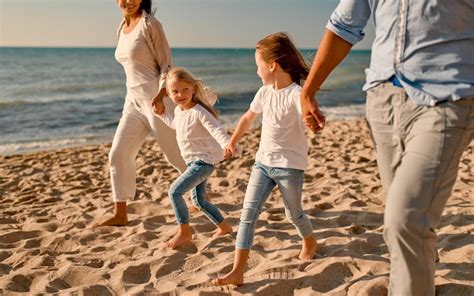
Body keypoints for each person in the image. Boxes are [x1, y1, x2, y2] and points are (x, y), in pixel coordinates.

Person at [300, 1, 474, 295]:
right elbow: (343, 26)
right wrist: (309, 90)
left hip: (448, 96)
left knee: (404, 219)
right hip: (382, 102)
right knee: (407, 226)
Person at [214, 32, 318, 286]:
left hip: (289, 167)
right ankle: (237, 271)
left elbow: (307, 110)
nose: (257, 71)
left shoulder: (296, 93)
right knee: (247, 214)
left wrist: (311, 119)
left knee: (293, 214)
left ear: (271, 65)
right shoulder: (264, 92)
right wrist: (232, 141)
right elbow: (248, 118)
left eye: (258, 66)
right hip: (262, 163)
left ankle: (310, 241)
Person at [95, 0, 186, 227]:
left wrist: (160, 96)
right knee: (118, 155)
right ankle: (120, 213)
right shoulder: (121, 28)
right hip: (132, 103)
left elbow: (167, 65)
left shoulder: (150, 24)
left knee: (175, 156)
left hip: (157, 101)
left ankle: (200, 195)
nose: (128, 1)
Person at [155, 67, 234, 249]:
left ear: (193, 90)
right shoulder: (178, 111)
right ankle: (224, 227)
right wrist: (160, 114)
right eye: (175, 91)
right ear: (168, 93)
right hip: (192, 162)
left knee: (174, 192)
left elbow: (216, 129)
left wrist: (226, 144)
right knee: (199, 201)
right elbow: (176, 125)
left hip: (203, 162)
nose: (180, 95)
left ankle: (184, 232)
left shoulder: (200, 111)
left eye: (185, 90)